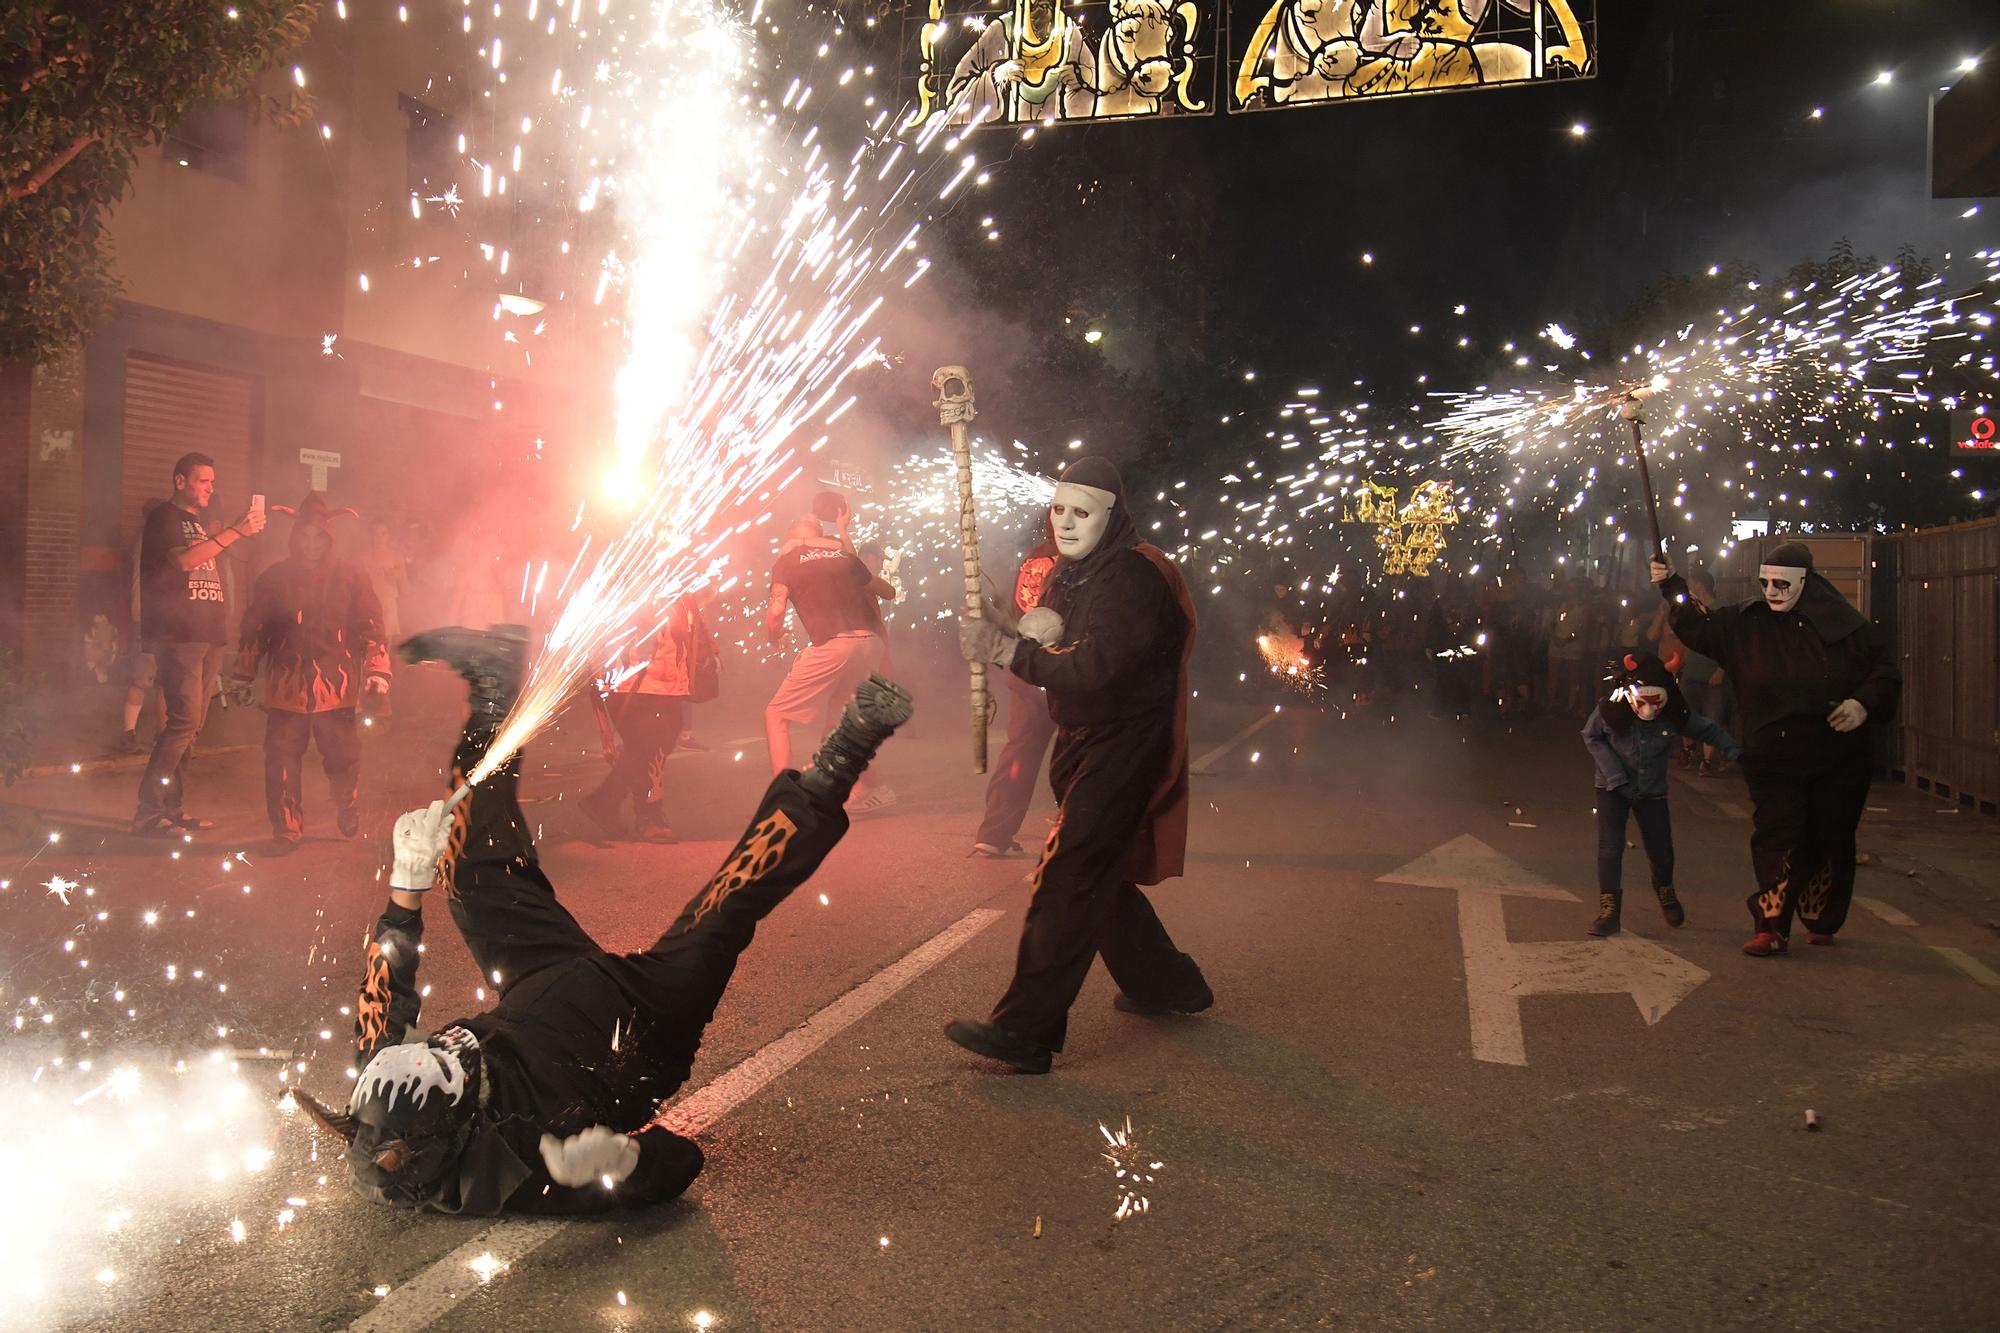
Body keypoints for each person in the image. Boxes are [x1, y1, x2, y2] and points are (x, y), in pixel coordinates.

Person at [294, 627, 911, 1214]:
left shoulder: (382, 1095)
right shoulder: (520, 1174)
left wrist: (406, 887)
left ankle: (494, 689)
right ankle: (843, 757)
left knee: (467, 864)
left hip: (538, 981)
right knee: (726, 908)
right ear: (459, 1126)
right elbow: (681, 1163)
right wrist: (619, 1160)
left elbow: (386, 988)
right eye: (456, 1067)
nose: (446, 1050)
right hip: (641, 1031)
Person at [949, 457, 1212, 1075]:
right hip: (1083, 738)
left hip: (1127, 742)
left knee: (1068, 870)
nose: (1065, 523)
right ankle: (1169, 985)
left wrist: (1013, 651)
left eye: (1081, 512)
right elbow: (1046, 641)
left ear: (1111, 515)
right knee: (1099, 870)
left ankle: (1025, 1029)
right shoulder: (1072, 572)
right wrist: (1002, 633)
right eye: (1058, 510)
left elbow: (1094, 666)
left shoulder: (1135, 577)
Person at [1652, 542, 1901, 956]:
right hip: (1773, 754)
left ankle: (1821, 917)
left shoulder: (1846, 627)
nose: (1772, 591)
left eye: (1782, 583)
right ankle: (1771, 924)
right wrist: (1671, 586)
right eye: (1765, 582)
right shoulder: (1746, 622)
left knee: (1829, 835)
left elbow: (1885, 673)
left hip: (1836, 757)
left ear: (1806, 582)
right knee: (1776, 835)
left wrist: (1863, 703)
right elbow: (1698, 626)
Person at [231, 493, 390, 852]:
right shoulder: (273, 578)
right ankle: (286, 827)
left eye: (318, 537)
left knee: (342, 757)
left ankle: (345, 803)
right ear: (294, 537)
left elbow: (370, 624)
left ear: (329, 539)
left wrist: (377, 669)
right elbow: (254, 628)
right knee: (281, 759)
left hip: (337, 686)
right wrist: (243, 673)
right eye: (304, 537)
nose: (311, 544)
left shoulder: (351, 576)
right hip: (286, 686)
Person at [131, 452, 266, 835]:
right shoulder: (164, 517)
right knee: (182, 723)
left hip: (205, 636)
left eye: (212, 481)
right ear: (180, 482)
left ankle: (171, 808)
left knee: (190, 727)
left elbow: (206, 560)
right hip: (179, 635)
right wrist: (235, 531)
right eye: (203, 480)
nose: (210, 487)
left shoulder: (195, 522)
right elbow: (184, 563)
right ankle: (148, 811)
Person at [1581, 652, 1742, 937]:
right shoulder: (1611, 709)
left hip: (1652, 791)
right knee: (1610, 848)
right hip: (1612, 789)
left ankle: (1665, 891)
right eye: (1643, 701)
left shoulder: (1674, 714)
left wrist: (1739, 754)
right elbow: (1591, 736)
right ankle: (1609, 911)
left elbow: (1709, 730)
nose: (1649, 709)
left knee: (1662, 851)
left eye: (1657, 702)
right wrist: (1616, 776)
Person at [763, 494, 897, 814]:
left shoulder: (787, 560)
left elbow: (776, 612)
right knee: (839, 717)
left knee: (776, 715)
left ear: (792, 536)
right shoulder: (843, 556)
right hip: (871, 644)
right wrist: (843, 534)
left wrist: (774, 636)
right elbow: (886, 591)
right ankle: (864, 788)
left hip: (837, 644)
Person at [579, 590, 720, 842]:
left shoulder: (679, 581)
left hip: (668, 681)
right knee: (645, 745)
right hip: (628, 681)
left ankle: (604, 802)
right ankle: (649, 816)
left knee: (653, 743)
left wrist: (710, 650)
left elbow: (693, 612)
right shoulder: (628, 580)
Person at [970, 526, 1060, 858]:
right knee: (1082, 754)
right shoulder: (1082, 557)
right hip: (1066, 670)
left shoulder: (1035, 557)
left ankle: (994, 832)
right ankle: (1074, 833)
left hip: (1028, 670)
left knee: (1020, 751)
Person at [110, 499, 168, 755]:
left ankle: (137, 734)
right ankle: (154, 736)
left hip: (145, 618)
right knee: (159, 680)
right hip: (157, 619)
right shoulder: (157, 543)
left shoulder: (140, 541)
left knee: (148, 680)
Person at [365, 519, 409, 647]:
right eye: (375, 534)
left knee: (385, 644)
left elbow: (405, 588)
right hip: (369, 605)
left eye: (383, 533)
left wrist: (397, 577)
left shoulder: (396, 556)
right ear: (369, 535)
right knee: (370, 643)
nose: (379, 538)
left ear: (388, 536)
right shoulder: (364, 558)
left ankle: (384, 666)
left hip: (388, 604)